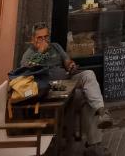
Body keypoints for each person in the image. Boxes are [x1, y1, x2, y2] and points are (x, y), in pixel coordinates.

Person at [20, 23, 112, 154]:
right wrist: (40, 52)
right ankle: (94, 145)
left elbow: (67, 60)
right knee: (83, 98)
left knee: (89, 75)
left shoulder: (55, 47)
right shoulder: (28, 55)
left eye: (46, 37)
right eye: (40, 38)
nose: (44, 40)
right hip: (49, 88)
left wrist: (70, 65)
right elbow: (26, 74)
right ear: (33, 39)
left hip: (67, 81)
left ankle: (102, 111)